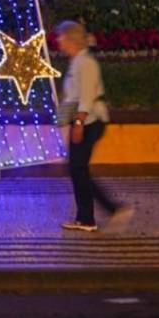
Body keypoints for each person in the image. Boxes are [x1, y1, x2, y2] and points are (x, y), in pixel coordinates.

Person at [54, 21, 130, 231]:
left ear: (71, 39)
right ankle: (89, 216)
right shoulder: (77, 61)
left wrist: (78, 123)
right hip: (83, 121)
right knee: (78, 168)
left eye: (61, 37)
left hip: (89, 121)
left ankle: (99, 214)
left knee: (78, 168)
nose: (58, 41)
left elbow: (86, 97)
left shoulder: (85, 63)